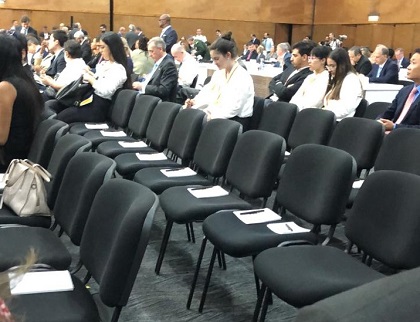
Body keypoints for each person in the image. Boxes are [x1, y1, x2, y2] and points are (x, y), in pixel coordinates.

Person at [51, 32, 131, 123]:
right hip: (90, 101)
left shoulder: (118, 69)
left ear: (112, 48)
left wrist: (91, 79)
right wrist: (91, 75)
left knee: (62, 117)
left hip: (97, 108)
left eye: (102, 47)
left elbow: (105, 91)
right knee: (56, 107)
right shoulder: (106, 64)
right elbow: (101, 81)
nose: (100, 50)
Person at [184, 32, 254, 129]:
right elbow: (207, 92)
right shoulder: (219, 73)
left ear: (228, 55)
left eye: (216, 59)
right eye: (213, 59)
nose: (214, 63)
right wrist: (195, 102)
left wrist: (210, 116)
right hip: (218, 116)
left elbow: (234, 108)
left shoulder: (242, 76)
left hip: (234, 122)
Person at [0, 33, 43, 171]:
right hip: (22, 154)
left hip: (9, 161)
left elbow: (1, 137)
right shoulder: (24, 78)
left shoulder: (6, 86)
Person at [378, 49, 420, 131]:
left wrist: (395, 127)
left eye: (413, 63)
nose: (408, 67)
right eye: (410, 62)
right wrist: (379, 121)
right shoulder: (404, 90)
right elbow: (388, 112)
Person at [132, 37, 178, 101]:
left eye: (151, 51)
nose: (150, 55)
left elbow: (163, 90)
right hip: (149, 97)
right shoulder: (159, 61)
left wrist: (142, 87)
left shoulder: (169, 64)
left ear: (160, 49)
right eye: (149, 52)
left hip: (158, 102)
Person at [323, 48, 363, 121]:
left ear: (342, 65)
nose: (329, 69)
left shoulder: (351, 80)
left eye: (333, 66)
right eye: (328, 66)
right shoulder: (338, 79)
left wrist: (324, 114)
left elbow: (345, 109)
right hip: (330, 118)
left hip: (340, 122)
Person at [290, 45, 331, 111]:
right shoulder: (310, 76)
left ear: (323, 60)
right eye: (309, 58)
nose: (309, 61)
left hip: (310, 113)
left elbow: (316, 102)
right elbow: (297, 95)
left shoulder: (327, 78)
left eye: (312, 58)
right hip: (298, 110)